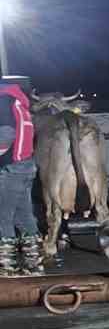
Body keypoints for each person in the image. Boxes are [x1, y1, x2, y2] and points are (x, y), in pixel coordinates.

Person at [0, 77, 41, 277]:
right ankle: (33, 265)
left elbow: (6, 134)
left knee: (2, 217)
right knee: (23, 216)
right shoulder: (17, 101)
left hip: (10, 168)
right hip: (25, 165)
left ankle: (6, 267)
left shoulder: (2, 101)